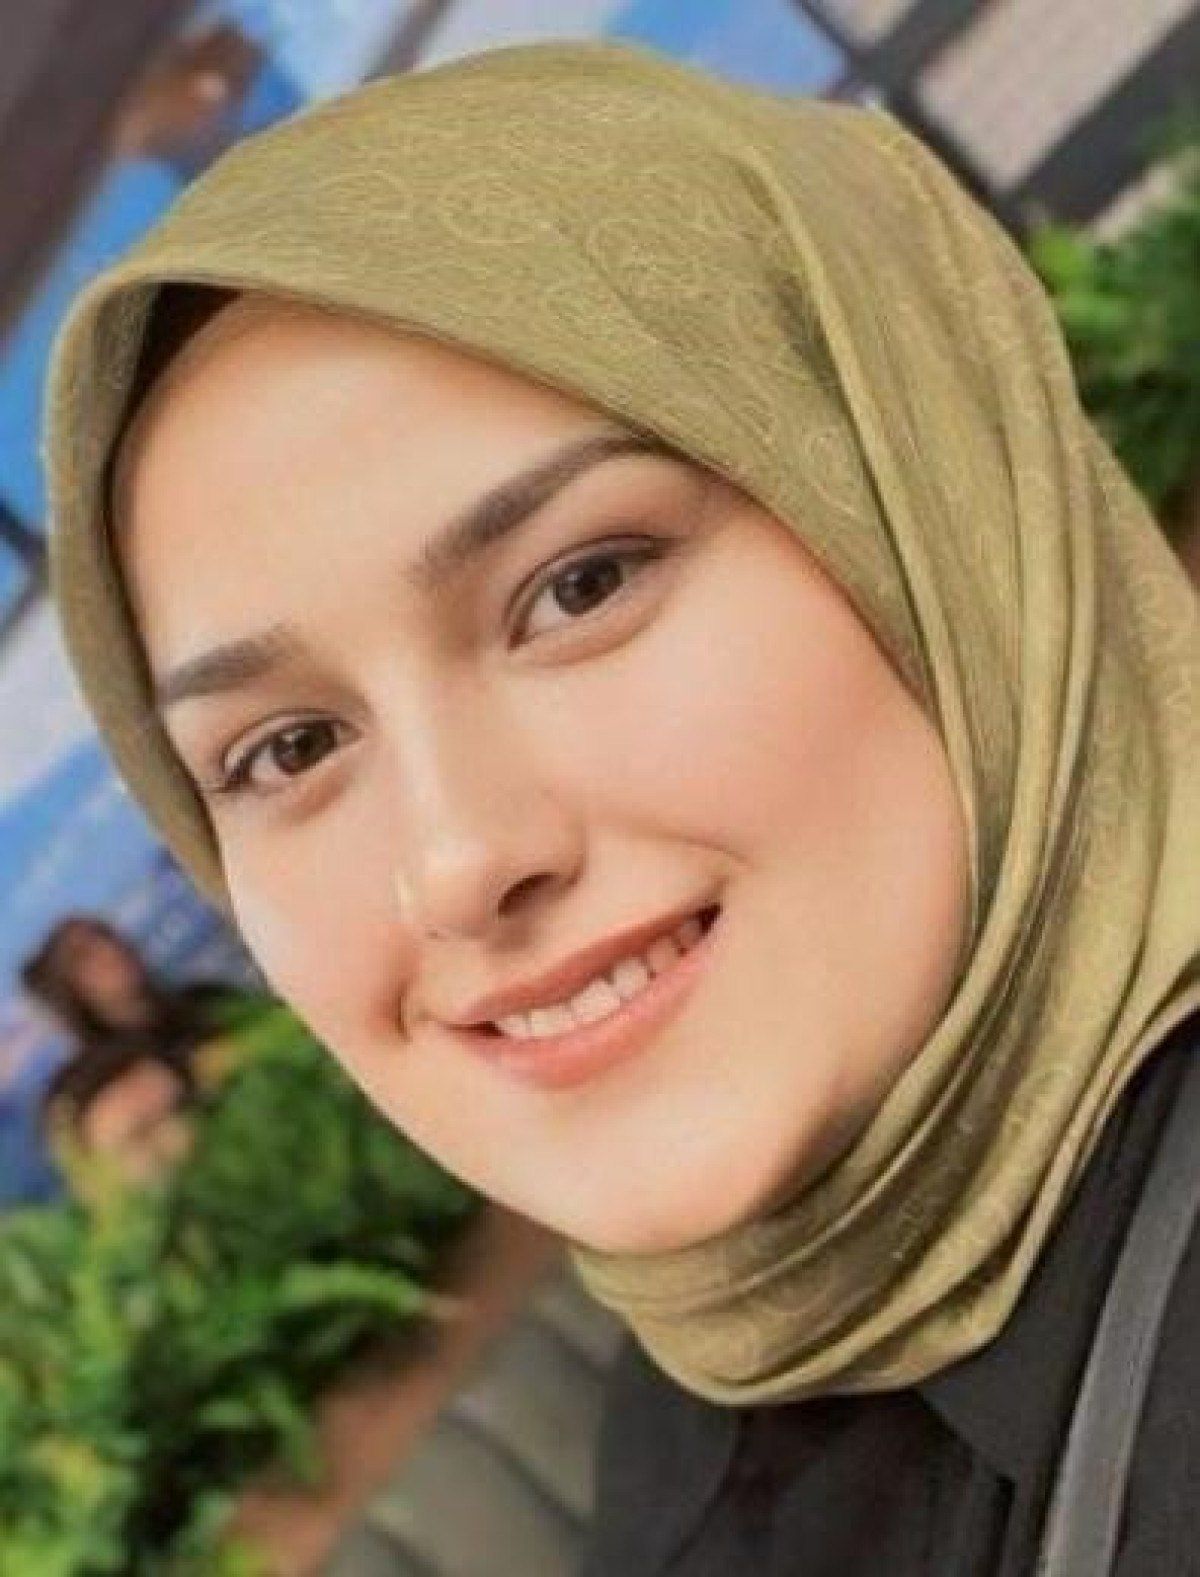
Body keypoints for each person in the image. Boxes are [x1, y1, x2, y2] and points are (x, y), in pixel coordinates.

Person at [41, 40, 1200, 1574]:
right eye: (287, 749)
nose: (456, 859)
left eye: (581, 586)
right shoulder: (698, 1415)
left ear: (933, 505)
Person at [22, 915, 247, 1183]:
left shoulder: (205, 999)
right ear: (70, 990)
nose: (108, 952)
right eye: (85, 957)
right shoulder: (97, 1077)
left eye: (104, 936)